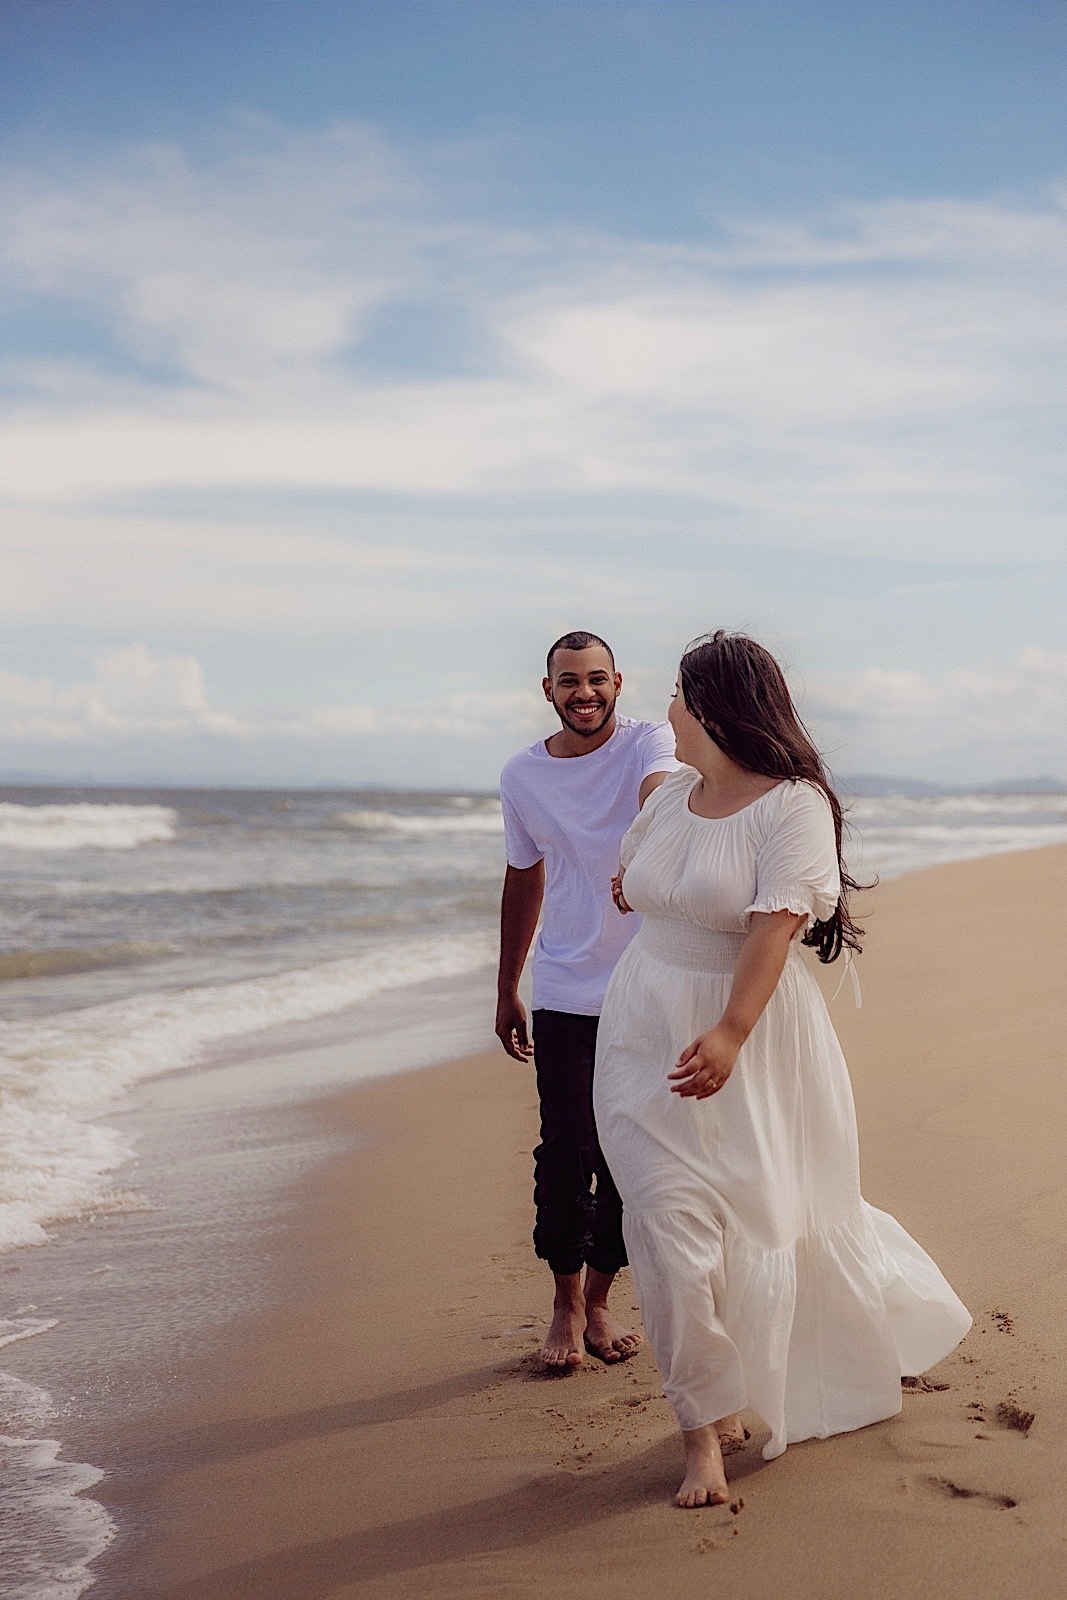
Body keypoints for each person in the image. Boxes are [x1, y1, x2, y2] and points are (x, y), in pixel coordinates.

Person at [594, 630, 971, 1507]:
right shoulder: (670, 797)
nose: (669, 714)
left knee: (761, 1215)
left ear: (718, 707)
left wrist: (729, 1030)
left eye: (680, 697)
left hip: (752, 1036)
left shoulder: (791, 804)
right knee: (666, 1228)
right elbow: (635, 878)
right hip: (641, 1031)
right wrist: (643, 888)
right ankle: (701, 1433)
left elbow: (773, 924)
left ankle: (749, 1387)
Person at [496, 631, 678, 1370]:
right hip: (565, 987)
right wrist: (506, 984)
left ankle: (601, 1300)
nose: (584, 693)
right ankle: (565, 1305)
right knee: (565, 1153)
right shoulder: (521, 775)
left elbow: (660, 796)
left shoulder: (646, 743)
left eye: (597, 679)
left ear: (618, 683)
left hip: (648, 982)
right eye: (568, 681)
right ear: (546, 689)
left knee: (628, 1154)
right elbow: (522, 876)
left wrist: (638, 853)